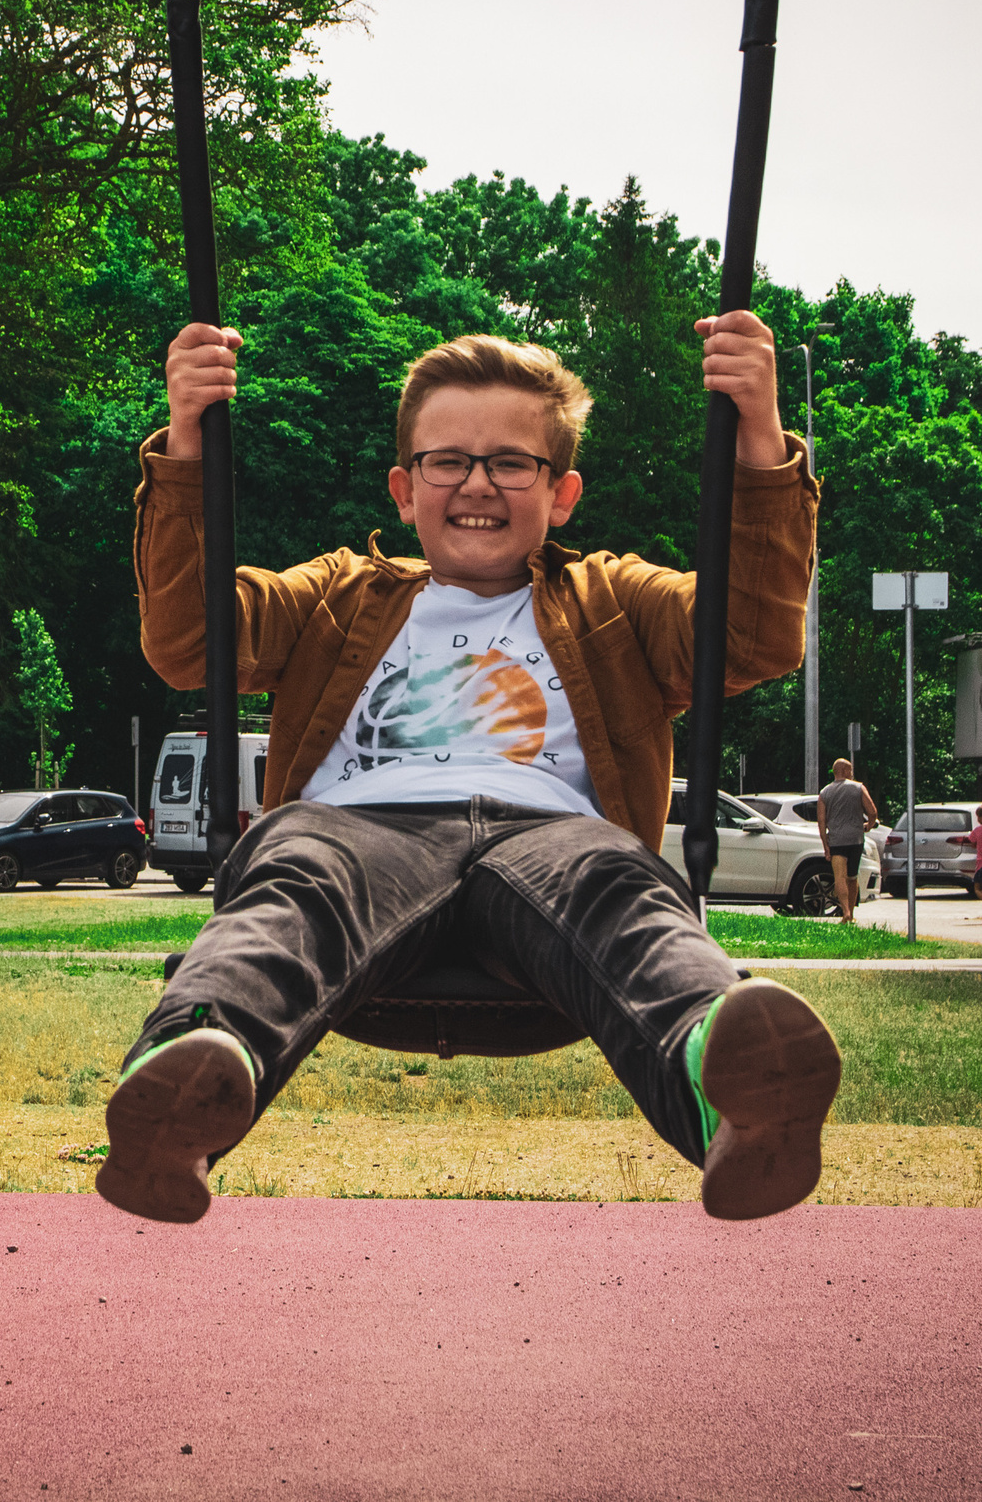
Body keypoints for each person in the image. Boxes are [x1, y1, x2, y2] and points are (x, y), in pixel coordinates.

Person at [99, 310, 838, 1229]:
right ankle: (187, 1079)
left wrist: (760, 436)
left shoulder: (612, 598)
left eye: (510, 463)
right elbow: (189, 637)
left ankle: (732, 1089)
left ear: (560, 491)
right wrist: (185, 441)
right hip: (359, 831)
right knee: (297, 882)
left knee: (620, 886)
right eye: (448, 460)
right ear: (405, 488)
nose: (476, 484)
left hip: (552, 839)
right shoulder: (338, 593)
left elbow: (753, 631)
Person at [816, 759, 876, 922]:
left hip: (836, 841)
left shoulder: (825, 793)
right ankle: (852, 915)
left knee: (839, 877)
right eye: (850, 771)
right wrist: (868, 826)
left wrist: (825, 846)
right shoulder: (859, 788)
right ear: (844, 771)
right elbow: (872, 811)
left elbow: (821, 822)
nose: (852, 774)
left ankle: (845, 912)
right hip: (856, 839)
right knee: (852, 877)